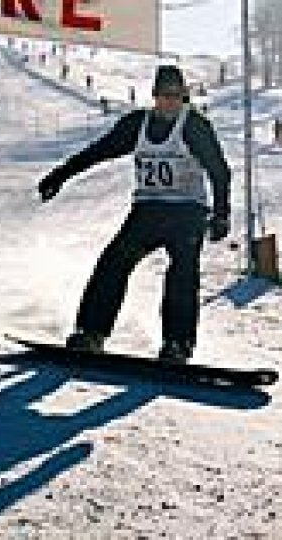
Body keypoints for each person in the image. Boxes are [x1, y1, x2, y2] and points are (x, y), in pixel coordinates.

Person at [37, 65, 232, 362]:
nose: (170, 101)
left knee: (183, 270)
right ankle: (91, 332)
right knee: (114, 261)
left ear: (184, 96)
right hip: (148, 210)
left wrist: (221, 214)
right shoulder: (137, 124)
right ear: (154, 96)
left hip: (187, 210)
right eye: (164, 95)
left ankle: (177, 344)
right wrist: (59, 176)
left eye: (176, 95)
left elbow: (219, 171)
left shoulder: (194, 126)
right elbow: (98, 151)